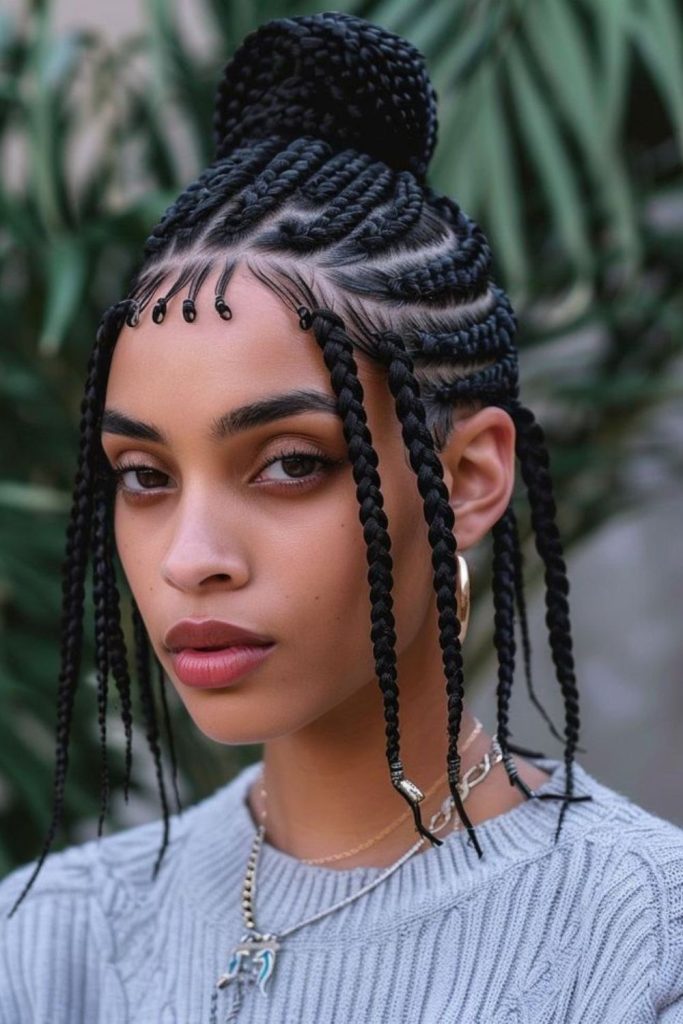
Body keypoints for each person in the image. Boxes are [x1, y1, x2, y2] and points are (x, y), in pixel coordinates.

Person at [1, 11, 682, 1023]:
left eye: (288, 464)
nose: (191, 559)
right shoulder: (46, 943)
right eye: (144, 475)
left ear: (467, 478)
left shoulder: (640, 946)